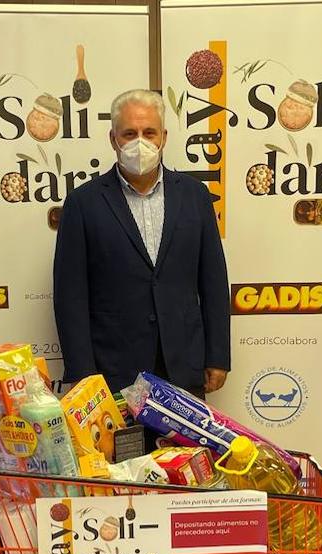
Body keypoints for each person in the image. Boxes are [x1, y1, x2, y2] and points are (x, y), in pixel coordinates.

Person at [54, 88, 231, 396]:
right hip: (113, 370)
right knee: (124, 447)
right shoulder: (83, 203)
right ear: (113, 139)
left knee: (184, 447)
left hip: (184, 363)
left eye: (149, 132)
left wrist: (217, 355)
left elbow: (213, 281)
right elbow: (71, 296)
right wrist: (83, 373)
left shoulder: (195, 196)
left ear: (163, 137)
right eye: (129, 133)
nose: (140, 142)